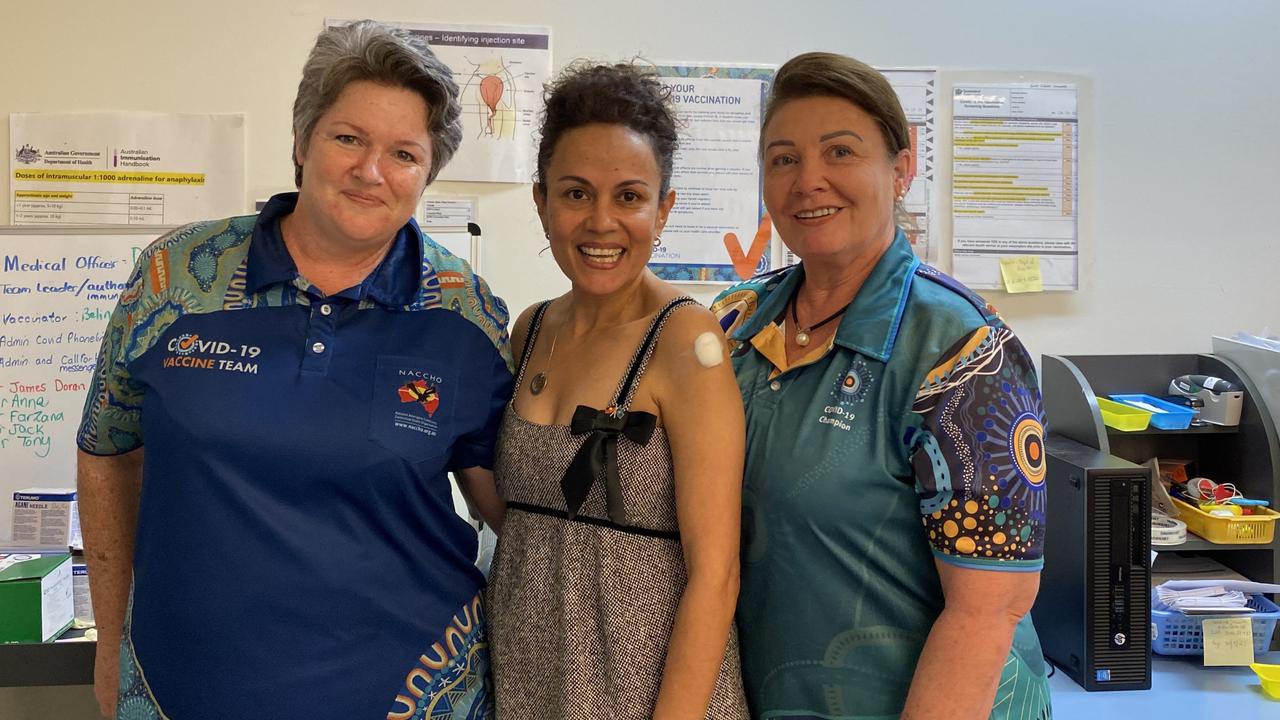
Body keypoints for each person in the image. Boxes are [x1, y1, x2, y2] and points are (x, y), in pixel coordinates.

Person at [76, 21, 512, 719]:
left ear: (428, 172)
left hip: (413, 697)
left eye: (404, 152)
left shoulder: (469, 316)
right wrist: (108, 648)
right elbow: (105, 453)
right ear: (302, 141)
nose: (372, 171)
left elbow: (514, 508)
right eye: (348, 138)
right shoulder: (174, 277)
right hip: (181, 692)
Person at [711, 52, 1051, 720]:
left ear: (901, 168)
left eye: (840, 152)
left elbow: (991, 609)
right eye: (783, 159)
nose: (809, 181)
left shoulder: (963, 352)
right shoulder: (734, 324)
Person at [483, 62, 749, 719]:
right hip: (531, 669)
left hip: (647, 687)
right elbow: (523, 513)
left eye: (629, 197)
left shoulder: (686, 341)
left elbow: (717, 576)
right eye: (576, 194)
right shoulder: (530, 328)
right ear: (541, 201)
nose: (602, 222)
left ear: (664, 209)